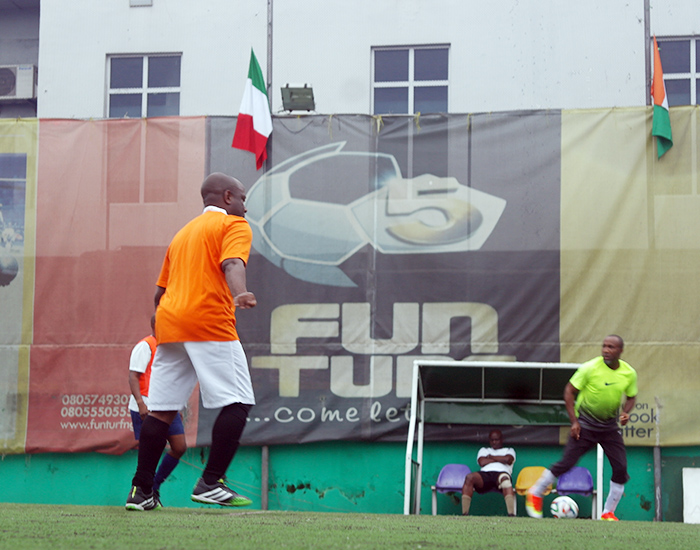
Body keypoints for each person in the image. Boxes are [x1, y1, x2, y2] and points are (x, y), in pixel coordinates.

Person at [126, 172, 257, 511]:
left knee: (161, 411)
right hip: (209, 322)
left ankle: (141, 491)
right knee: (239, 401)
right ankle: (211, 482)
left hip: (170, 326)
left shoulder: (182, 235)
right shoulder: (234, 225)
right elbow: (232, 263)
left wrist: (165, 324)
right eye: (243, 198)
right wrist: (240, 292)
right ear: (227, 197)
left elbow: (160, 293)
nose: (245, 206)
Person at [525, 334, 637, 521]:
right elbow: (569, 391)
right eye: (604, 346)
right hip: (585, 425)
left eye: (611, 347)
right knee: (566, 463)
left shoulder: (629, 373)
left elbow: (631, 396)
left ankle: (608, 512)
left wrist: (625, 412)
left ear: (620, 351)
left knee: (620, 468)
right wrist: (574, 422)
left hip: (609, 427)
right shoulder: (590, 368)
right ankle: (535, 493)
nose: (606, 350)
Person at [128, 314, 187, 507]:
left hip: (166, 405)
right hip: (146, 405)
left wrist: (177, 405)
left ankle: (153, 487)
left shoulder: (170, 347)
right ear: (156, 325)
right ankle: (140, 490)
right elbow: (133, 376)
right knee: (151, 450)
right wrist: (140, 403)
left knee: (179, 447)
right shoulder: (145, 345)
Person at [461, 429, 516, 517]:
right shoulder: (484, 450)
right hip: (485, 474)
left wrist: (490, 457)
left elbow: (508, 460)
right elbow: (482, 462)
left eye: (496, 440)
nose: (494, 442)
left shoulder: (509, 450)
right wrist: (500, 459)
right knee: (469, 477)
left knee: (506, 481)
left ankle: (511, 515)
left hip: (501, 474)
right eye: (492, 440)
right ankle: (464, 514)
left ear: (501, 440)